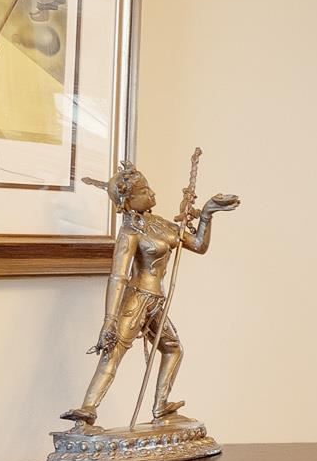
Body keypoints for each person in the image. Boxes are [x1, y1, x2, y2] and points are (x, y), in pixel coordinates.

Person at [63, 161, 240, 427]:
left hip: (156, 301)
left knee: (173, 348)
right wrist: (109, 320)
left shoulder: (159, 224)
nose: (152, 193)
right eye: (144, 191)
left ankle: (161, 406)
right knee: (113, 353)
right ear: (127, 201)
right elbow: (118, 277)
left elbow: (198, 244)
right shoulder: (129, 233)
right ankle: (87, 410)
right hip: (136, 299)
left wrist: (207, 213)